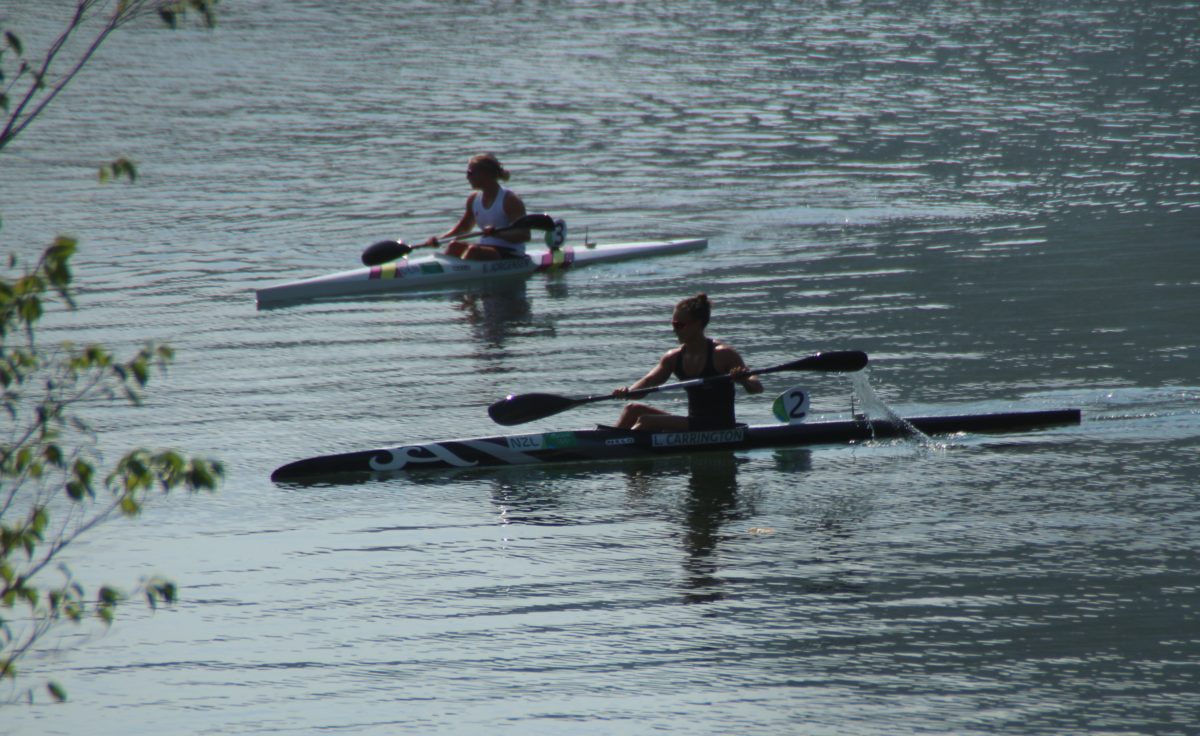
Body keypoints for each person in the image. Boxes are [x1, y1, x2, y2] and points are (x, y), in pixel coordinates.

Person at [613, 293, 763, 431]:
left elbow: (757, 387)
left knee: (647, 421)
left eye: (679, 325)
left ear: (697, 324)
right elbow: (648, 382)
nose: (674, 330)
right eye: (673, 325)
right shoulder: (673, 357)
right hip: (694, 422)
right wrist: (627, 392)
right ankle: (606, 443)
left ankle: (616, 451)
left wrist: (744, 381)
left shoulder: (723, 354)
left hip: (719, 426)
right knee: (632, 409)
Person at [423, 153, 530, 261]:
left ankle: (458, 274)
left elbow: (525, 235)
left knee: (473, 251)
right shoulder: (473, 199)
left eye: (470, 173)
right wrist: (439, 240)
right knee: (453, 246)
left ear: (485, 174)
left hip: (511, 253)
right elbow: (464, 228)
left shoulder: (510, 200)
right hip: (487, 250)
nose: (467, 177)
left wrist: (498, 234)